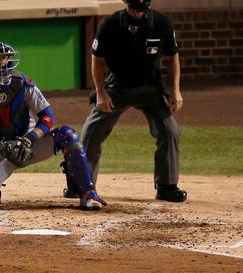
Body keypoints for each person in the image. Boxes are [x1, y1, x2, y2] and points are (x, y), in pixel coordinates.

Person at [0, 40, 107, 210]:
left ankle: (87, 193)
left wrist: (28, 139)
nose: (1, 62)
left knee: (66, 135)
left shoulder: (23, 84)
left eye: (5, 57)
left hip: (28, 145)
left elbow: (47, 117)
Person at [71, 0, 186, 203]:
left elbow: (172, 57)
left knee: (170, 131)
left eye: (141, 9)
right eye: (134, 8)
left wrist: (175, 89)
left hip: (150, 86)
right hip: (117, 86)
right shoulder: (109, 25)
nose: (138, 13)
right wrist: (100, 93)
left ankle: (167, 186)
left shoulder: (161, 23)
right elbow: (97, 60)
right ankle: (82, 183)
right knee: (92, 130)